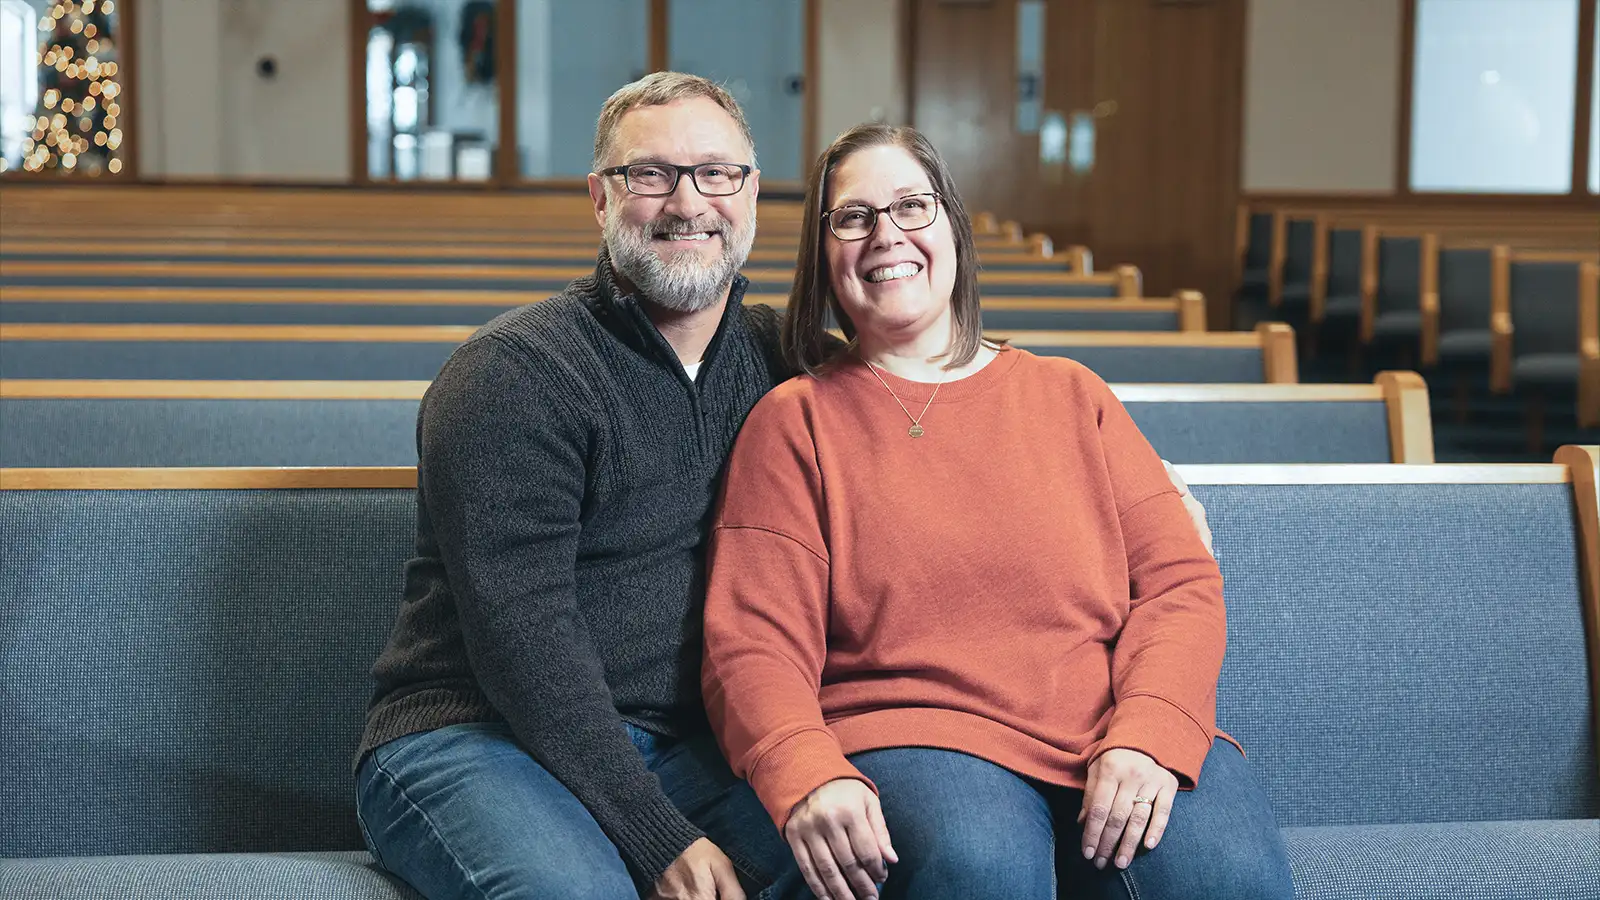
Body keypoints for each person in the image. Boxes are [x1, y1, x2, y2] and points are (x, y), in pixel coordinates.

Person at [354, 72, 1213, 900]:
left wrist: (1133, 498)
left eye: (715, 173)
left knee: (880, 856)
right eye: (650, 174)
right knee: (577, 890)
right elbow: (525, 644)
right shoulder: (514, 376)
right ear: (600, 197)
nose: (688, 201)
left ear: (752, 194)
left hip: (690, 745)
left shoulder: (781, 362)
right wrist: (660, 840)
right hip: (481, 733)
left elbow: (936, 410)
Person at [700, 123, 1294, 900]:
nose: (887, 235)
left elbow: (1179, 584)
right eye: (853, 217)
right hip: (915, 730)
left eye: (912, 206)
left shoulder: (1069, 393)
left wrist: (1149, 734)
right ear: (824, 255)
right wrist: (801, 770)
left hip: (1107, 719)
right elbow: (752, 640)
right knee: (983, 868)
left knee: (1226, 873)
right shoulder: (796, 421)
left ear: (952, 226)